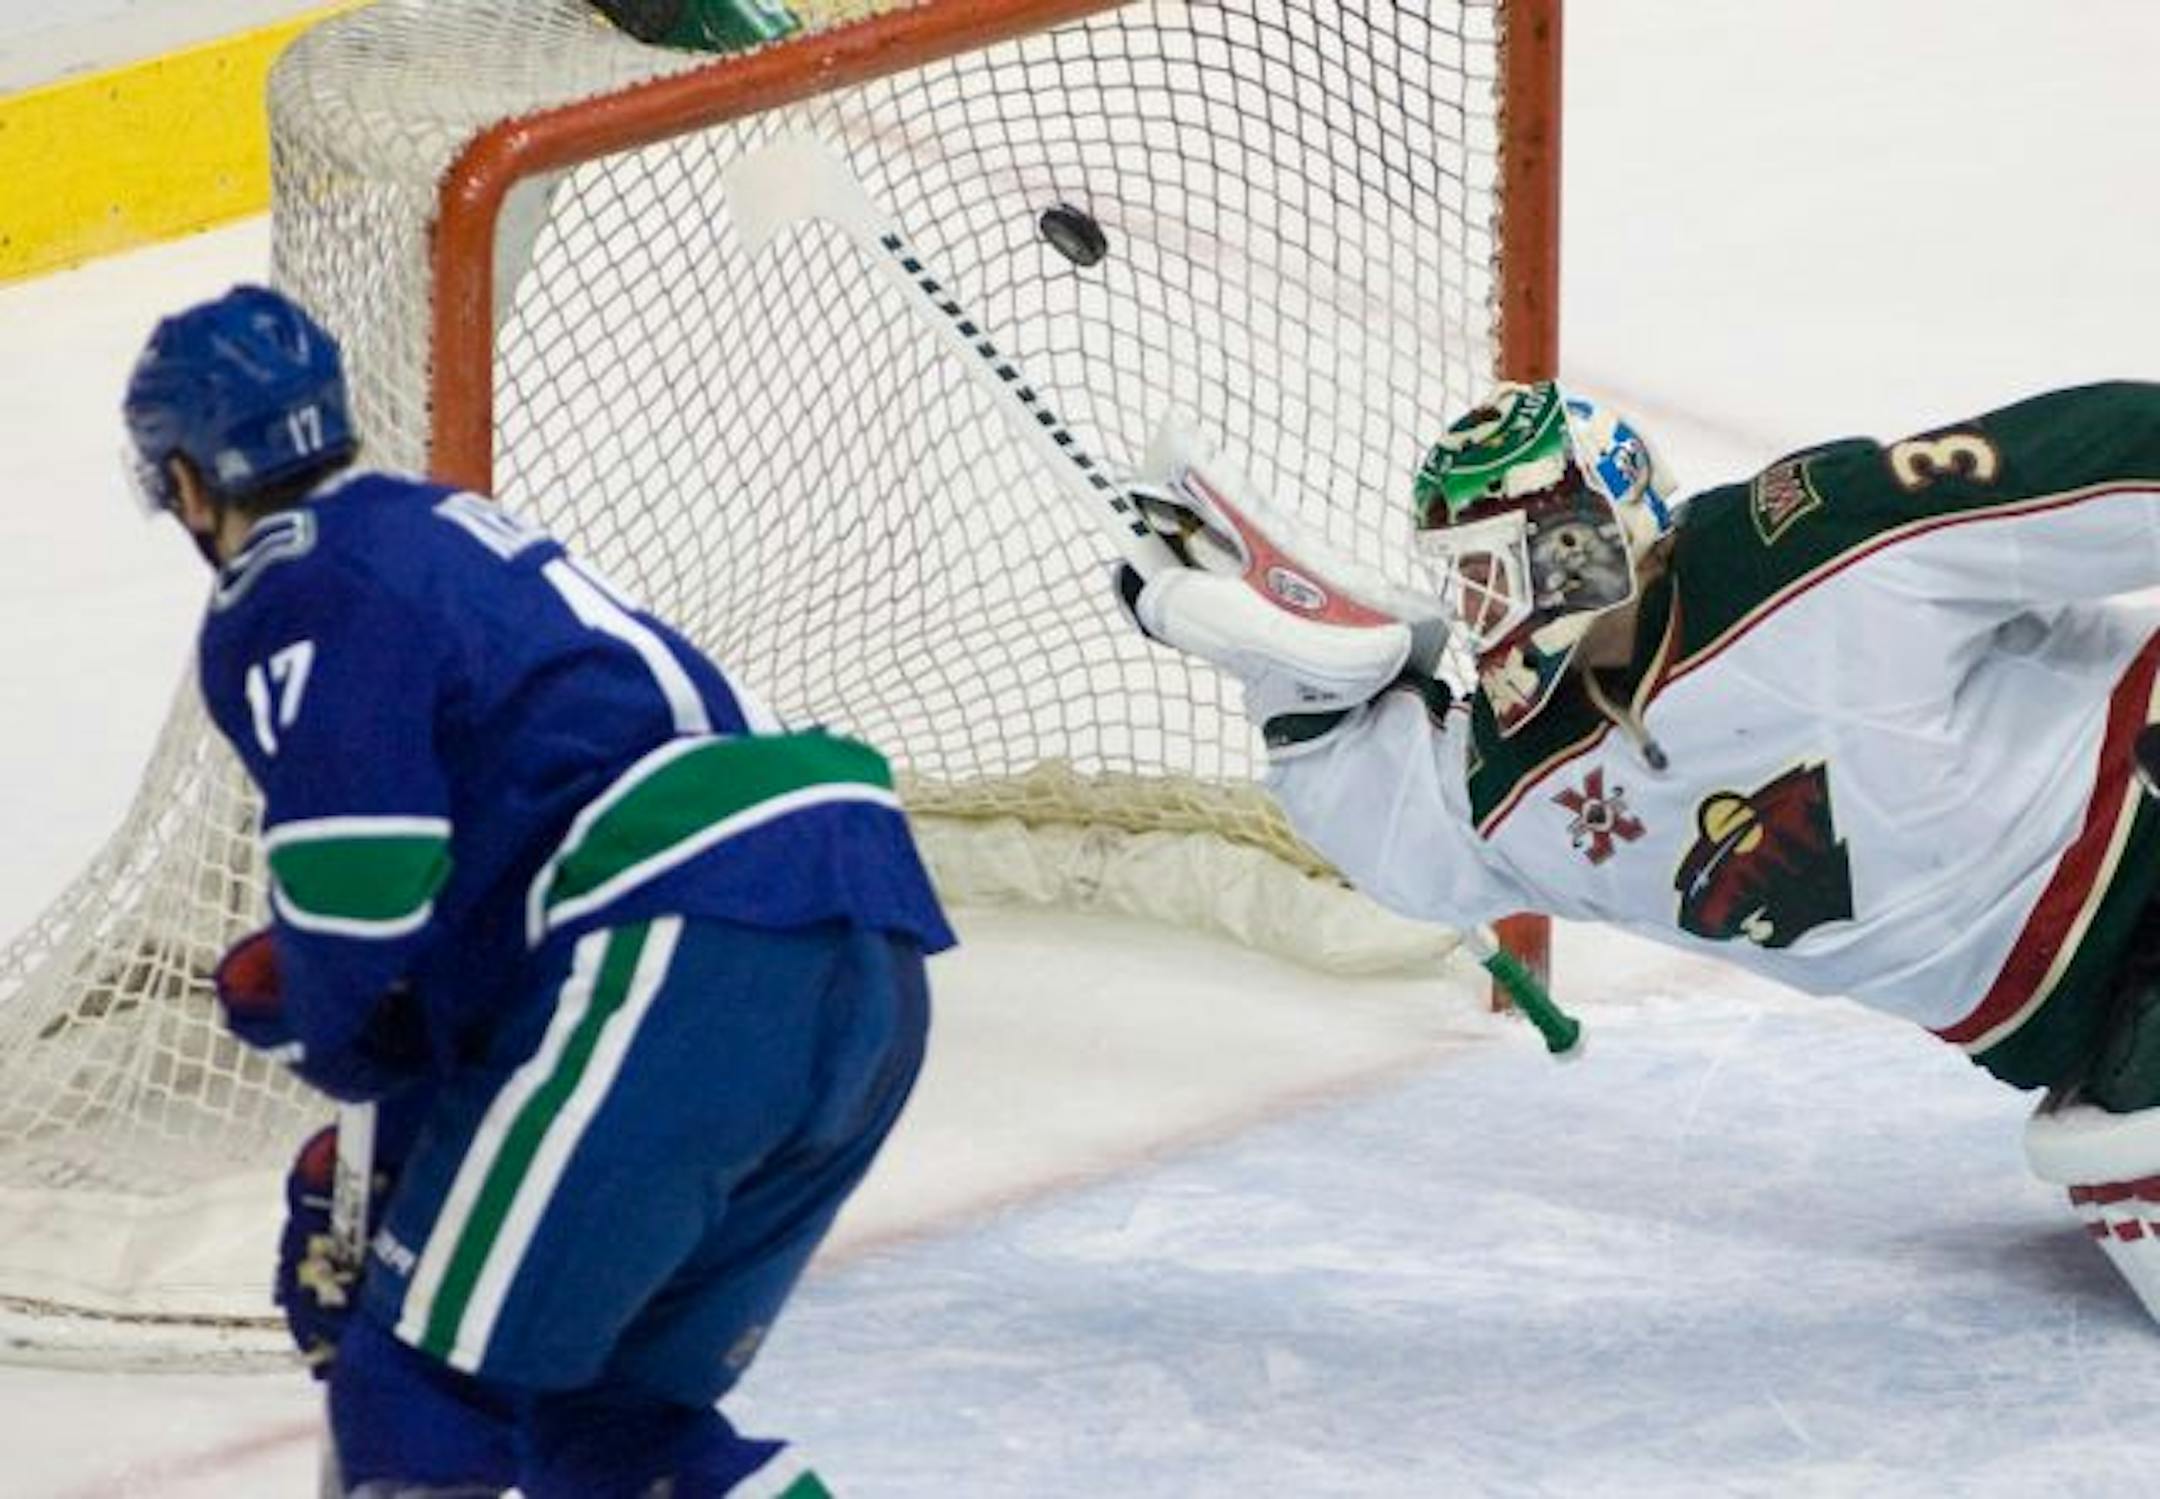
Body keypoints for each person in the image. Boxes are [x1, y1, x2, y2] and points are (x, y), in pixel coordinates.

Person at [124, 283, 953, 1498]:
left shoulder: (294, 583)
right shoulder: (440, 530)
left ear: (192, 480)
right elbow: (481, 944)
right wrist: (400, 1144)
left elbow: (363, 896)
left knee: (415, 1380)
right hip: (856, 949)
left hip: (681, 941)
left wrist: (323, 1020)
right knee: (597, 1413)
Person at [1117, 378, 2160, 1327]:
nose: (1479, 615)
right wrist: (1295, 687)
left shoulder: (1808, 547)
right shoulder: (1517, 786)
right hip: (2078, 1019)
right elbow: (1405, 846)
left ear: (1583, 540)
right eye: (1461, 582)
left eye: (1491, 571)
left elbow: (2110, 454)